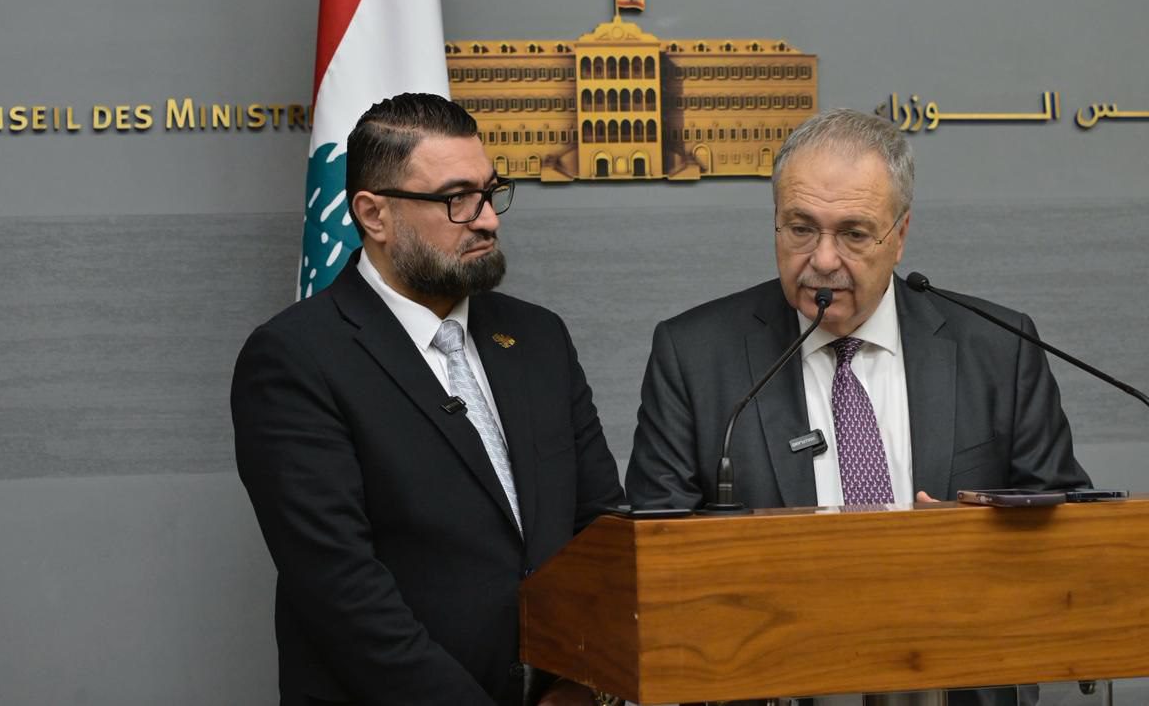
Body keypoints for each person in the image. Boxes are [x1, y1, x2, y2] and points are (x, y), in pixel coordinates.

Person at [626, 108, 1088, 704]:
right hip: (770, 682)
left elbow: (1069, 537)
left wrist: (967, 547)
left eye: (853, 234)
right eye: (801, 229)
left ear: (900, 235)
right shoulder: (694, 355)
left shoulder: (998, 349)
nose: (823, 260)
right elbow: (654, 556)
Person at [232, 92, 624, 706]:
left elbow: (600, 529)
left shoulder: (538, 337)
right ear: (374, 215)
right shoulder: (295, 358)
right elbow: (342, 592)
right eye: (456, 199)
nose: (488, 219)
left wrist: (583, 682)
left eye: (491, 192)